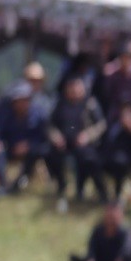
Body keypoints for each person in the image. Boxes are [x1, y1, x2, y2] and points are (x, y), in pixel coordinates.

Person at [47, 77, 106, 207]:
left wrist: (87, 135)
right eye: (71, 88)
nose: (74, 91)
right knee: (50, 154)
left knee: (88, 159)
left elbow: (101, 124)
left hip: (84, 143)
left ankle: (100, 192)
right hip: (64, 143)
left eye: (77, 87)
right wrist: (56, 136)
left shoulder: (90, 103)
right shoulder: (60, 104)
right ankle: (61, 185)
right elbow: (50, 125)